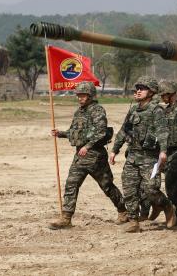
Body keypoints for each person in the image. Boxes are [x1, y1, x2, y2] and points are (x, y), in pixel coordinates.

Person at [49, 82, 126, 229]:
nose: (80, 98)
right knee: (71, 183)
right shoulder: (79, 112)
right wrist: (61, 134)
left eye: (83, 95)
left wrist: (88, 146)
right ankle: (66, 218)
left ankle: (123, 211)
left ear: (90, 95)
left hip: (95, 156)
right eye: (78, 95)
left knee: (107, 186)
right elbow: (75, 132)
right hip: (80, 156)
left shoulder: (97, 110)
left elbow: (101, 132)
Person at [110, 76, 172, 233]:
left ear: (151, 92)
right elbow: (124, 131)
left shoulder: (156, 111)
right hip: (133, 156)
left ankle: (167, 207)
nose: (137, 91)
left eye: (142, 88)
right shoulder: (133, 110)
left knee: (151, 188)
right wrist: (114, 150)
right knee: (129, 188)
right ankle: (133, 221)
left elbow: (163, 131)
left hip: (150, 158)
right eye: (137, 88)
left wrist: (163, 151)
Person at [149, 79, 177, 228]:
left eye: (164, 95)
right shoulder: (168, 109)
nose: (162, 98)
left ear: (170, 94)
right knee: (172, 186)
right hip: (170, 150)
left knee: (171, 182)